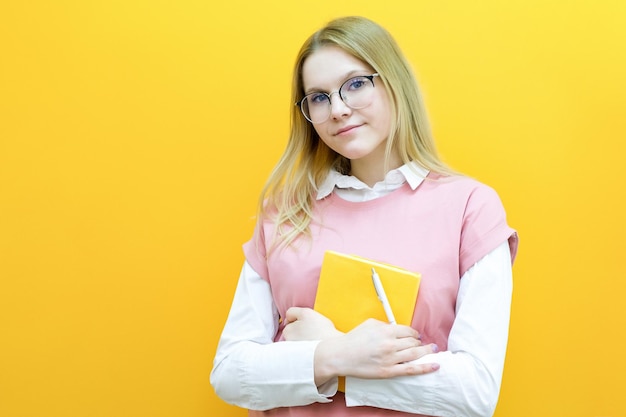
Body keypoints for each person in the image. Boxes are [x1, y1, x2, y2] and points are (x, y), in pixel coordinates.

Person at [210, 15, 518, 417]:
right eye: (318, 97)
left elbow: (475, 392)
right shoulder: (284, 215)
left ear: (394, 83)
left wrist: (336, 363)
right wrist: (335, 356)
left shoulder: (471, 208)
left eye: (355, 85)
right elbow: (230, 373)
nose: (337, 109)